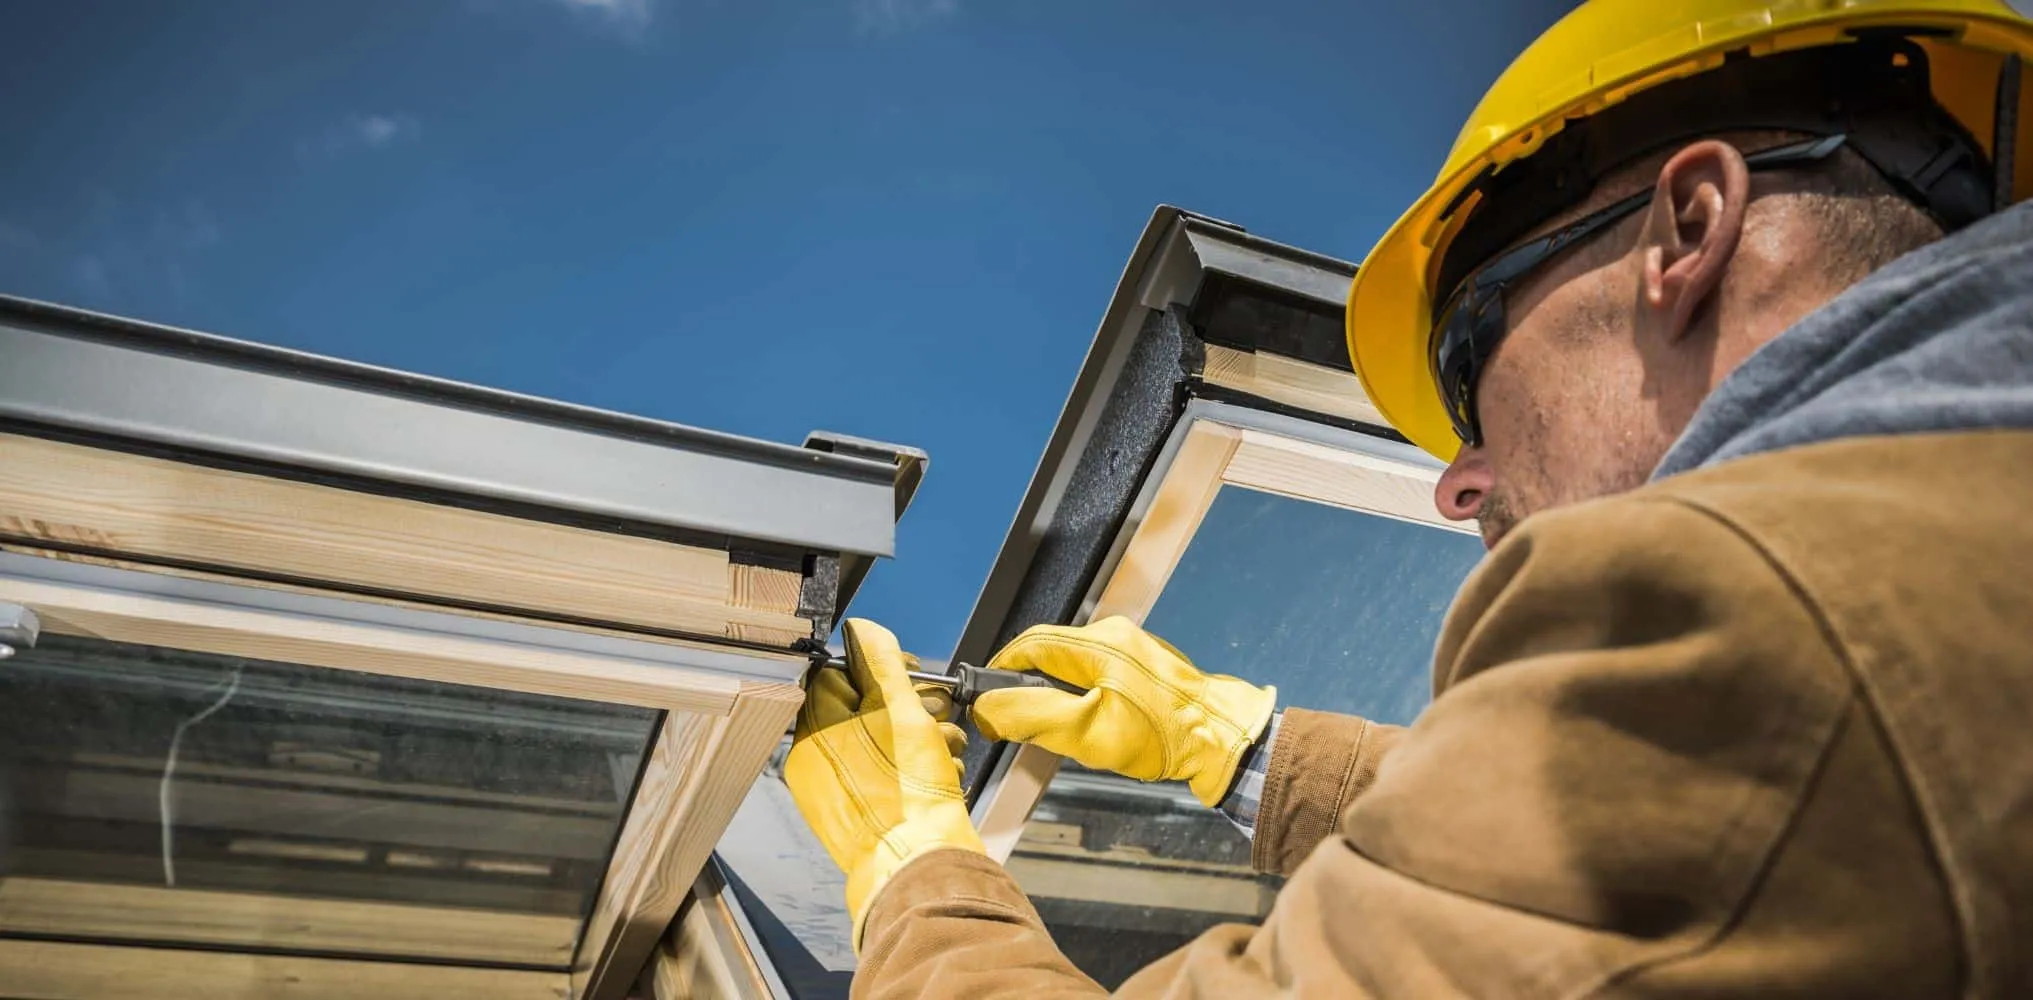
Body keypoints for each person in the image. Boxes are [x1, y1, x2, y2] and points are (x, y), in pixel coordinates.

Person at [784, 1, 2033, 996]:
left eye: (1464, 357)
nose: (1456, 481)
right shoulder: (1947, 547)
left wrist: (920, 873)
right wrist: (1243, 751)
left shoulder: (1766, 602)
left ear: (1688, 230)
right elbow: (1592, 866)